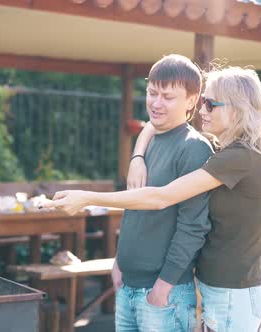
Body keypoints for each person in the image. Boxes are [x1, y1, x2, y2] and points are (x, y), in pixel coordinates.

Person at [43, 66, 261, 332]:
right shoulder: (230, 154)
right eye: (204, 102)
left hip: (232, 293)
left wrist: (87, 198)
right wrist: (138, 153)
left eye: (210, 103)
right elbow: (158, 126)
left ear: (237, 109)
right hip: (220, 289)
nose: (202, 111)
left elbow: (161, 197)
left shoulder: (238, 158)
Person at [91, 54, 215, 331]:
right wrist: (119, 261)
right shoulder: (147, 141)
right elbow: (135, 205)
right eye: (152, 93)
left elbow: (193, 226)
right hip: (127, 285)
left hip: (162, 295)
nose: (156, 103)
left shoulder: (194, 148)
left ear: (192, 101)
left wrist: (163, 287)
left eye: (168, 97)